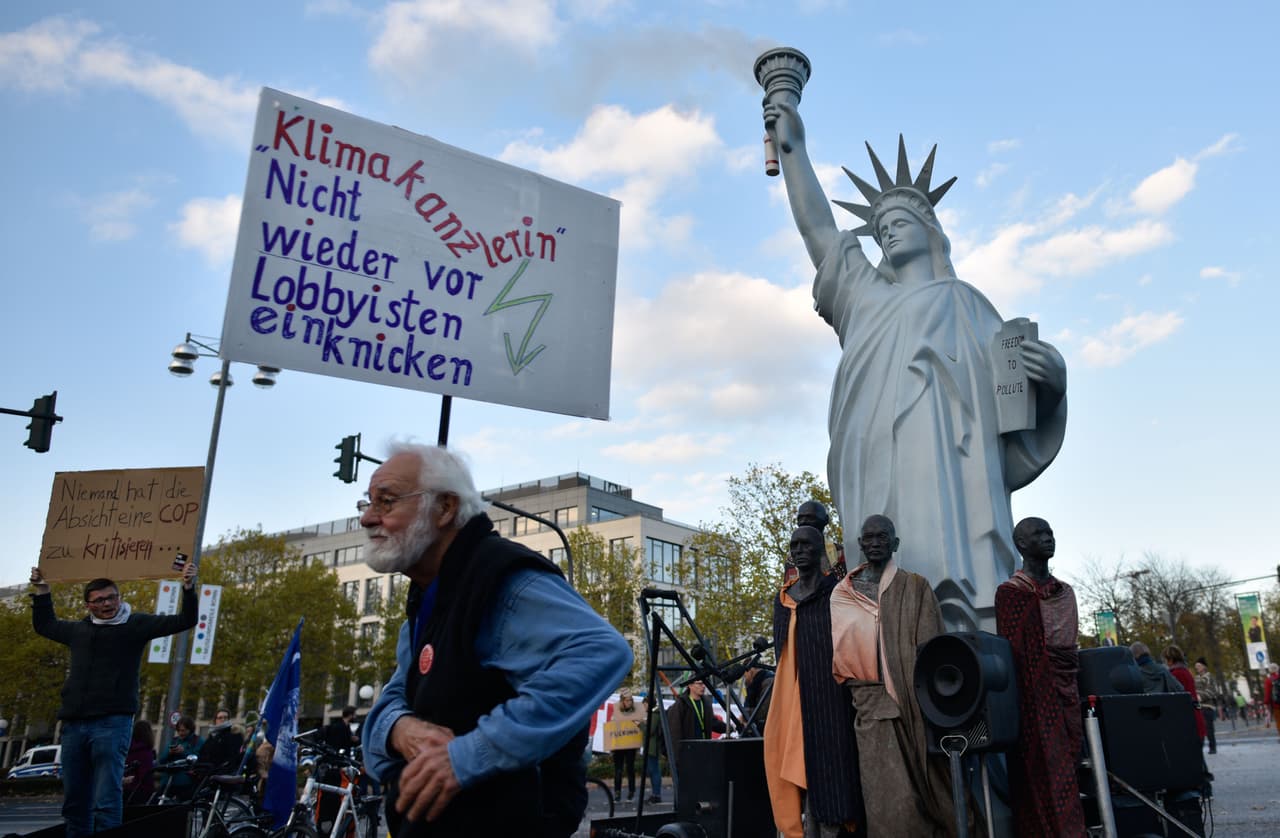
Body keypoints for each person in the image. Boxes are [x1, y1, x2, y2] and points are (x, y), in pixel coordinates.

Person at [764, 98, 1068, 633]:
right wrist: (793, 151)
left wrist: (1052, 382)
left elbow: (1011, 409)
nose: (888, 232)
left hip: (951, 462)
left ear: (931, 229)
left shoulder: (965, 302)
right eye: (881, 227)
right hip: (873, 458)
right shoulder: (865, 297)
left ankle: (969, 644)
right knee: (882, 587)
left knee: (956, 588)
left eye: (900, 221)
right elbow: (819, 233)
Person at [357, 443, 632, 837]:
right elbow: (392, 702)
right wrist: (398, 728)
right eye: (367, 503)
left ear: (445, 508)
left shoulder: (502, 583)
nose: (368, 518)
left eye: (386, 501)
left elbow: (603, 652)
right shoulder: (428, 600)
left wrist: (469, 755)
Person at [29, 560, 198, 836]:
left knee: (106, 800)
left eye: (112, 597)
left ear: (119, 598)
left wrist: (189, 588)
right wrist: (42, 590)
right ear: (88, 605)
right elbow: (44, 624)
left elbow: (185, 620)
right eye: (99, 600)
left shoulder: (136, 625)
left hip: (112, 723)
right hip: (74, 725)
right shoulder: (78, 631)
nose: (107, 603)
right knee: (75, 803)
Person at [830, 514, 957, 835]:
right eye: (869, 538)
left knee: (935, 788)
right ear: (860, 544)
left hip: (914, 704)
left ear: (895, 543)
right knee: (886, 797)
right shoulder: (843, 594)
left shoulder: (915, 587)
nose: (875, 543)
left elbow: (931, 648)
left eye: (882, 537)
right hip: (870, 706)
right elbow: (844, 656)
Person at [764, 526, 863, 838]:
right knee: (788, 762)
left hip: (829, 698)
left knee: (832, 774)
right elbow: (782, 655)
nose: (799, 550)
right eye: (794, 545)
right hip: (792, 698)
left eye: (806, 544)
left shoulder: (838, 593)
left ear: (820, 549)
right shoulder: (783, 600)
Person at [995, 516, 1086, 836]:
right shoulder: (1011, 594)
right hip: (1033, 704)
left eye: (1050, 533)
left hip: (1067, 693)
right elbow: (1016, 656)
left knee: (1070, 770)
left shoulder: (1065, 592)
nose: (1049, 538)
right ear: (1021, 544)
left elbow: (1068, 650)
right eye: (1039, 534)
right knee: (1038, 778)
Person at [609, 688, 643, 803]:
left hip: (630, 745)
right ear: (622, 701)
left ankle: (631, 793)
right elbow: (611, 728)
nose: (630, 702)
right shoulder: (616, 712)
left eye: (631, 700)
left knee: (630, 769)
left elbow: (638, 726)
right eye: (627, 700)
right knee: (618, 770)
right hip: (619, 745)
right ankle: (617, 793)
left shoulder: (635, 712)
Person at [164, 715, 204, 799]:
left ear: (190, 729)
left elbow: (198, 758)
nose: (180, 733)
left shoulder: (198, 741)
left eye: (183, 730)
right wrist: (169, 752)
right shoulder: (174, 740)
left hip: (186, 782)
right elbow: (162, 759)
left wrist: (184, 752)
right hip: (168, 781)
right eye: (178, 730)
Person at [201, 708, 246, 774]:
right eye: (220, 718)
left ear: (229, 719)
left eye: (225, 717)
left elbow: (234, 757)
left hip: (223, 773)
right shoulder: (212, 735)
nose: (223, 719)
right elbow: (203, 753)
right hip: (208, 773)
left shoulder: (234, 734)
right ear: (215, 720)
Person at [122, 720, 156, 805]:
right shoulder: (146, 752)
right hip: (140, 791)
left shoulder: (127, 749)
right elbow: (146, 774)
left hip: (124, 789)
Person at [1193, 658, 1221, 754]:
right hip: (1197, 705)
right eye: (1196, 666)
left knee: (1208, 728)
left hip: (1207, 706)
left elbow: (1211, 691)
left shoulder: (1209, 677)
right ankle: (1199, 747)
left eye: (1199, 666)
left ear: (1204, 667)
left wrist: (1199, 697)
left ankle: (1212, 747)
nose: (1197, 668)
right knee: (1198, 727)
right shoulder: (1196, 678)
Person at [1265, 663, 1280, 735]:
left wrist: (1266, 703)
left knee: (1279, 720)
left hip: (1276, 704)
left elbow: (1267, 693)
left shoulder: (1269, 680)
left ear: (1270, 670)